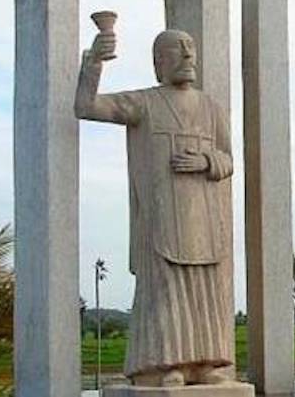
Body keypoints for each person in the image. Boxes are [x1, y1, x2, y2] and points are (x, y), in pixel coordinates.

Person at [75, 27, 234, 386]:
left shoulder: (211, 108)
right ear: (159, 62)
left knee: (204, 295)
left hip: (204, 222)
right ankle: (167, 366)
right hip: (160, 221)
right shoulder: (144, 103)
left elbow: (227, 159)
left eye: (191, 48)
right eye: (178, 49)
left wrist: (207, 161)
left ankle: (205, 365)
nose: (188, 55)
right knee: (166, 296)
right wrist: (95, 61)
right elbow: (87, 106)